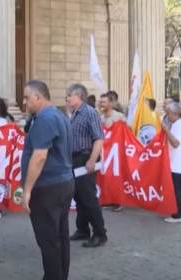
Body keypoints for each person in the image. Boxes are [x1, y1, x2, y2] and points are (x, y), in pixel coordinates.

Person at [20, 80, 74, 280]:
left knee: (49, 240)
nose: (25, 102)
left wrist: (27, 190)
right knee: (60, 236)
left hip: (47, 187)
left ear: (38, 97)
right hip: (62, 183)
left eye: (27, 97)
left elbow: (40, 156)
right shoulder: (58, 115)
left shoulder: (45, 118)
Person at [66, 84, 107, 248]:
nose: (67, 99)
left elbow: (99, 138)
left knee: (88, 197)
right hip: (74, 160)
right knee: (78, 196)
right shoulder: (73, 114)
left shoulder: (89, 113)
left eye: (69, 95)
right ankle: (82, 229)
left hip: (85, 159)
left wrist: (92, 159)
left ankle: (99, 233)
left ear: (79, 96)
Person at [161, 102, 181, 223]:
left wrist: (167, 131)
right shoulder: (176, 125)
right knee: (175, 189)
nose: (167, 116)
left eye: (168, 113)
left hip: (179, 163)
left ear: (174, 114)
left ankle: (178, 215)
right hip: (175, 162)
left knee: (175, 190)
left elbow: (175, 143)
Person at [99, 93, 126, 212]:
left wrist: (123, 126)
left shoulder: (118, 116)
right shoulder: (100, 117)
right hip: (104, 153)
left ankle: (117, 200)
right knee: (105, 176)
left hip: (115, 153)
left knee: (115, 176)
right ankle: (107, 199)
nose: (101, 104)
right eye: (101, 102)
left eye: (104, 102)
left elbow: (128, 131)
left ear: (110, 103)